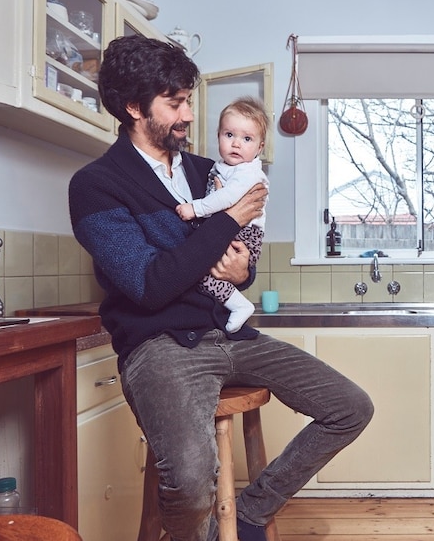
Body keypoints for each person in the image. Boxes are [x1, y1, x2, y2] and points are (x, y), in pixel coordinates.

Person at [68, 35, 373, 541]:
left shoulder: (208, 171)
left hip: (228, 333)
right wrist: (229, 217)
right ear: (133, 107)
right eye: (175, 102)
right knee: (190, 481)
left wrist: (241, 273)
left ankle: (250, 512)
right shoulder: (96, 184)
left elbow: (238, 257)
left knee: (350, 407)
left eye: (188, 99)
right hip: (159, 345)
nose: (189, 114)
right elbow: (149, 284)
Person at [176, 96, 270, 333]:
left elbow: (225, 199)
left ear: (260, 147)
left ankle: (239, 305)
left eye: (247, 139)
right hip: (236, 232)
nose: (236, 144)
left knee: (203, 274)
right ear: (218, 135)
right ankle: (237, 305)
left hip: (246, 235)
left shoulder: (248, 173)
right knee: (203, 274)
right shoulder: (222, 167)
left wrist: (195, 208)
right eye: (229, 135)